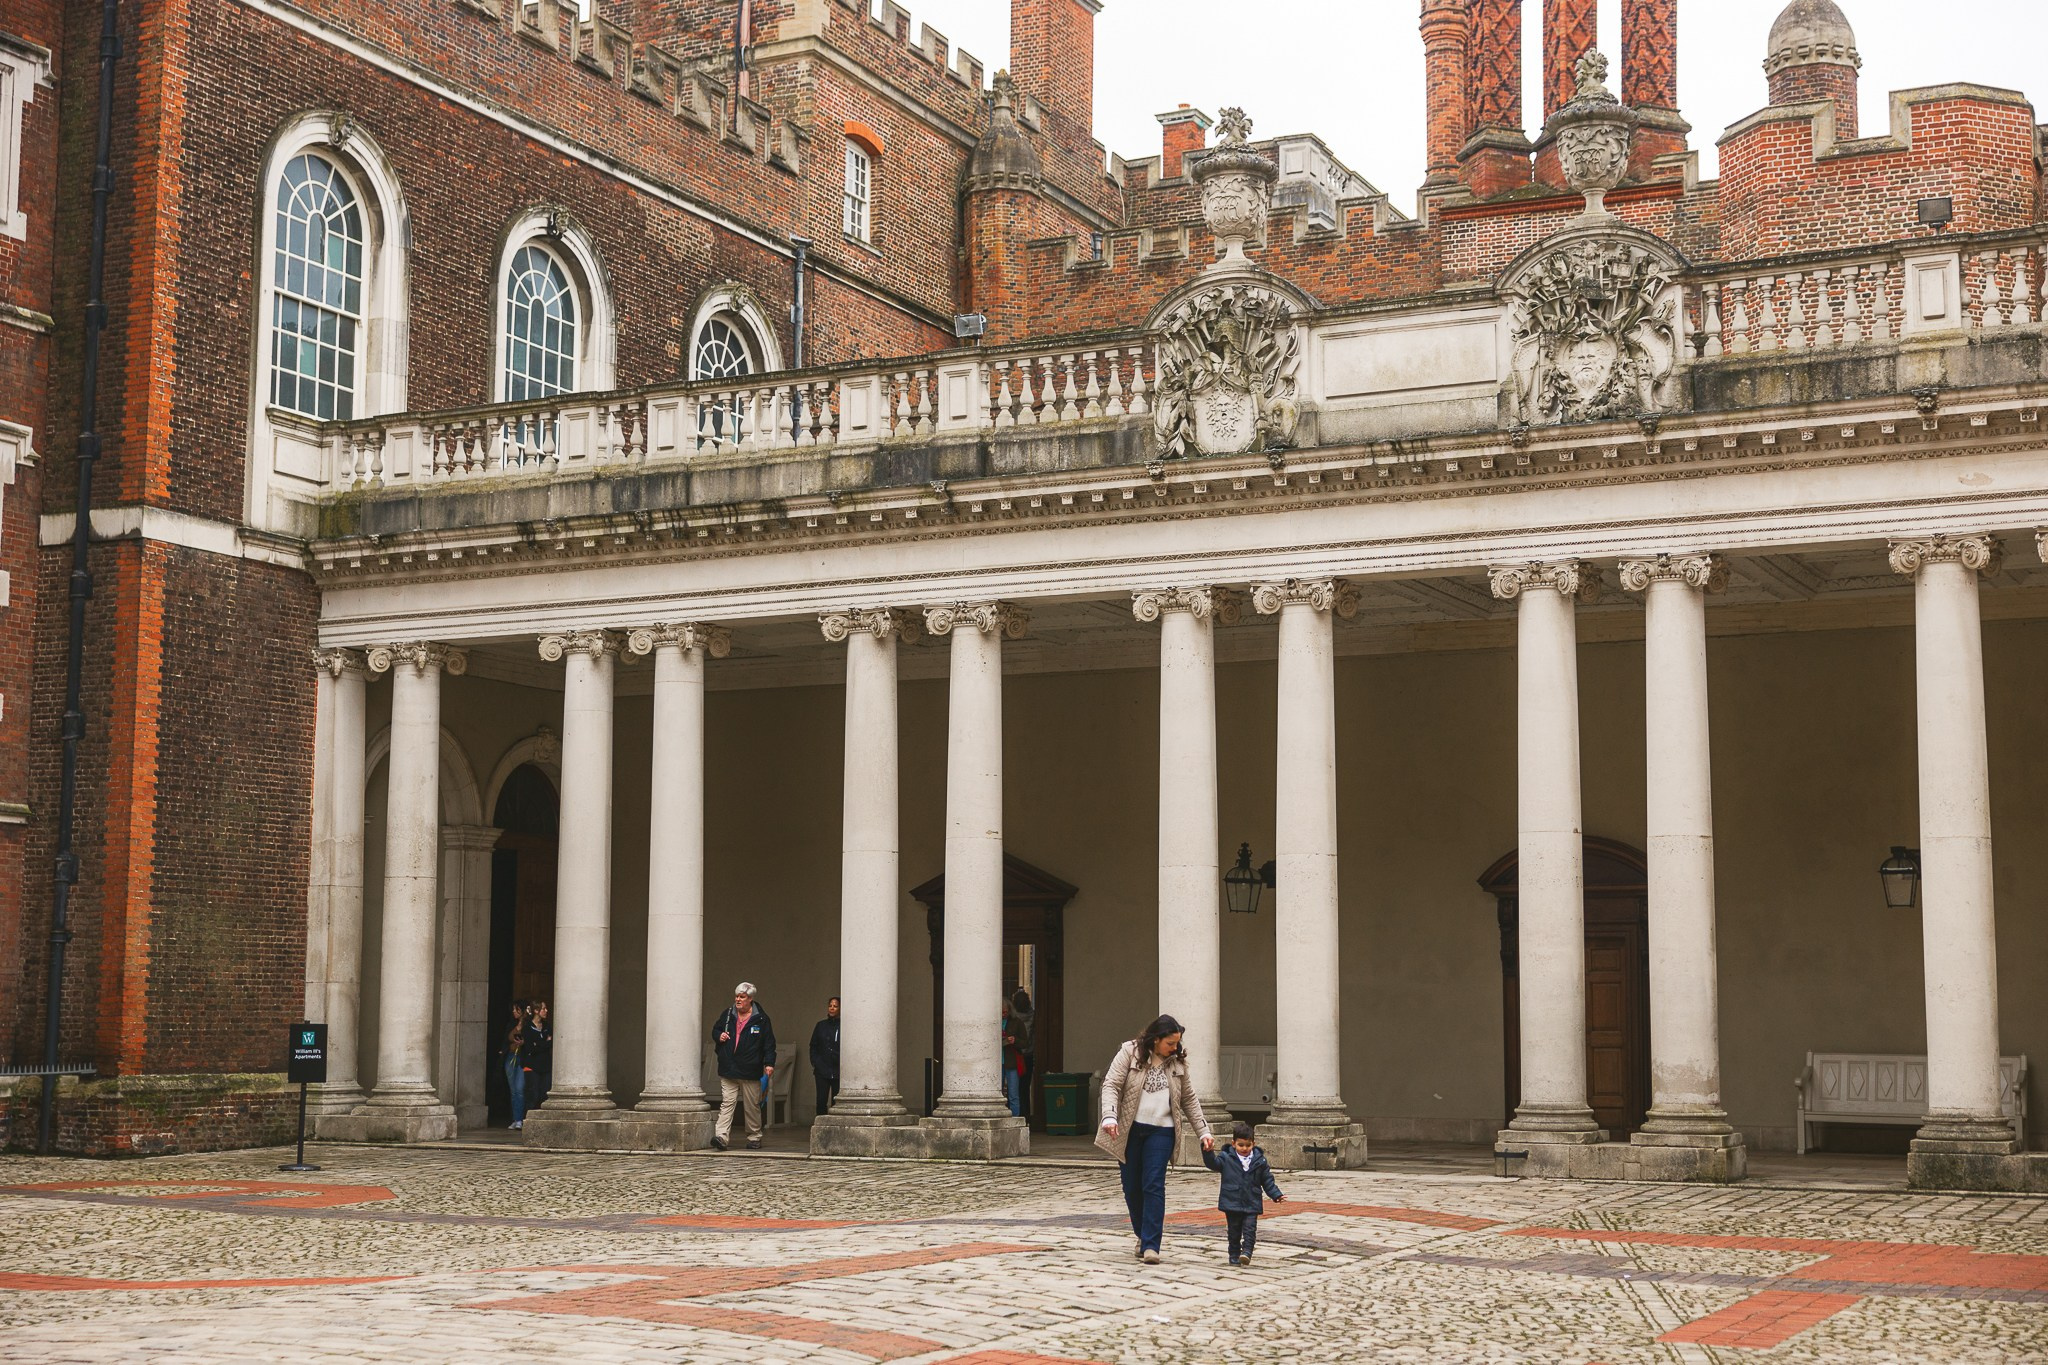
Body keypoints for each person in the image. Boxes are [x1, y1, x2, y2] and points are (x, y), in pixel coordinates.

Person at [1096, 1013, 1213, 1264]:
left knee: (1153, 1184)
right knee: (1131, 1187)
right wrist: (1110, 1116)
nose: (1175, 1048)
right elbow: (1111, 1085)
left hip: (1162, 1131)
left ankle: (1151, 1245)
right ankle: (1142, 1234)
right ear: (1156, 1039)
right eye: (1170, 1043)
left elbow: (1189, 1099)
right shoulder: (1129, 1052)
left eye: (1177, 1043)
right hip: (1130, 1130)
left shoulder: (1177, 1064)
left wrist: (1204, 1131)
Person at [1202, 1120, 1286, 1266]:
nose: (1244, 1148)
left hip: (1252, 1201)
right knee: (1233, 1232)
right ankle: (1234, 1254)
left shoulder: (1260, 1160)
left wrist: (1276, 1194)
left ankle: (1247, 1252)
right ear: (1233, 1144)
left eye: (1248, 1145)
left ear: (1253, 1143)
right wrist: (1207, 1151)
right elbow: (1213, 1164)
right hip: (1232, 1201)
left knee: (1250, 1229)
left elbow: (1267, 1179)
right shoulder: (1226, 1158)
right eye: (1241, 1145)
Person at [711, 982, 776, 1150]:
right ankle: (721, 1136)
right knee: (727, 1103)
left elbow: (769, 1043)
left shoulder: (761, 1019)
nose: (738, 1000)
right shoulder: (728, 1014)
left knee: (751, 1106)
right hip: (728, 1067)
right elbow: (715, 1030)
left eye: (742, 997)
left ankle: (754, 1137)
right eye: (737, 996)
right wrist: (719, 1036)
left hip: (749, 1069)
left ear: (750, 999)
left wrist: (769, 1063)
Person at [809, 997, 841, 1119]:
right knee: (821, 1100)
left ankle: (835, 1126)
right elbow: (813, 1045)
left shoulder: (844, 1026)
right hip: (822, 1069)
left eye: (835, 1006)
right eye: (830, 1005)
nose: (832, 1008)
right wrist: (815, 1062)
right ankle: (820, 1124)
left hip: (838, 1070)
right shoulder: (821, 1025)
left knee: (836, 1102)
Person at [499, 1000, 529, 1130]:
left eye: (517, 1009)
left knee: (520, 1089)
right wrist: (519, 1025)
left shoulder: (529, 1024)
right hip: (511, 1057)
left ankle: (521, 1119)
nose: (514, 1012)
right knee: (513, 1091)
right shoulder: (511, 1024)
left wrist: (523, 1022)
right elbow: (510, 1038)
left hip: (523, 1058)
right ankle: (516, 1118)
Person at [525, 999, 553, 1109]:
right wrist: (545, 1043)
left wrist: (538, 1044)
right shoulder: (528, 1027)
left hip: (546, 1065)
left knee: (544, 1094)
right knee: (533, 1094)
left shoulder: (546, 1026)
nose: (546, 1011)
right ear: (536, 1011)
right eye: (543, 1009)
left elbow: (551, 1043)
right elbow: (530, 1048)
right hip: (533, 1066)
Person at [1001, 998, 1026, 1117]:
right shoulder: (992, 1021)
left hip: (1012, 1062)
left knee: (1013, 1094)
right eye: (1001, 1012)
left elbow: (1025, 1043)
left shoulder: (1017, 1022)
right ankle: (1000, 1117)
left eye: (1005, 1012)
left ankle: (1015, 1118)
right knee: (997, 1094)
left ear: (1010, 1010)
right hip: (995, 1064)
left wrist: (1014, 1040)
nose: (1003, 1014)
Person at [1010, 989, 1036, 1100]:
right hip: (1028, 1055)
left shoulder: (1012, 1018)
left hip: (1015, 1054)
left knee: (1013, 1086)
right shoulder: (1034, 1016)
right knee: (1025, 1086)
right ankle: (1026, 1109)